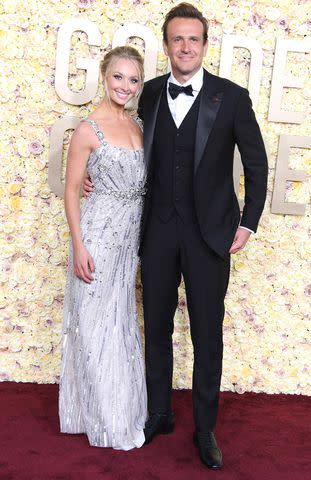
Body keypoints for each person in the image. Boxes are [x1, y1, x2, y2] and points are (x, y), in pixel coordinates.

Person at [83, 2, 268, 469]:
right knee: (157, 328)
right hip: (157, 231)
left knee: (208, 335)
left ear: (204, 45)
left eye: (193, 39)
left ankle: (204, 429)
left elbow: (257, 165)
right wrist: (89, 174)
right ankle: (159, 412)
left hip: (211, 237)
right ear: (166, 46)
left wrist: (247, 223)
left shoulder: (232, 97)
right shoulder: (144, 93)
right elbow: (116, 141)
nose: (185, 46)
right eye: (176, 39)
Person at [59, 46, 147, 450]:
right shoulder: (87, 129)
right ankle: (102, 416)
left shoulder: (141, 127)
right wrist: (79, 245)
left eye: (132, 79)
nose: (124, 86)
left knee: (119, 323)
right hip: (96, 236)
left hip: (129, 242)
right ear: (104, 76)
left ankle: (121, 407)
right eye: (118, 77)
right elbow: (72, 190)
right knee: (94, 325)